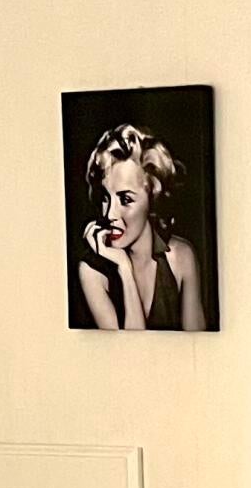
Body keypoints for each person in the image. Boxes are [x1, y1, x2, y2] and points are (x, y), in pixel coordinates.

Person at [76, 125, 208, 332]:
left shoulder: (182, 257)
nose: (109, 215)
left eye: (125, 199)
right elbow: (130, 348)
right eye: (105, 198)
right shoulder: (91, 272)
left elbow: (200, 345)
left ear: (152, 197)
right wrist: (125, 270)